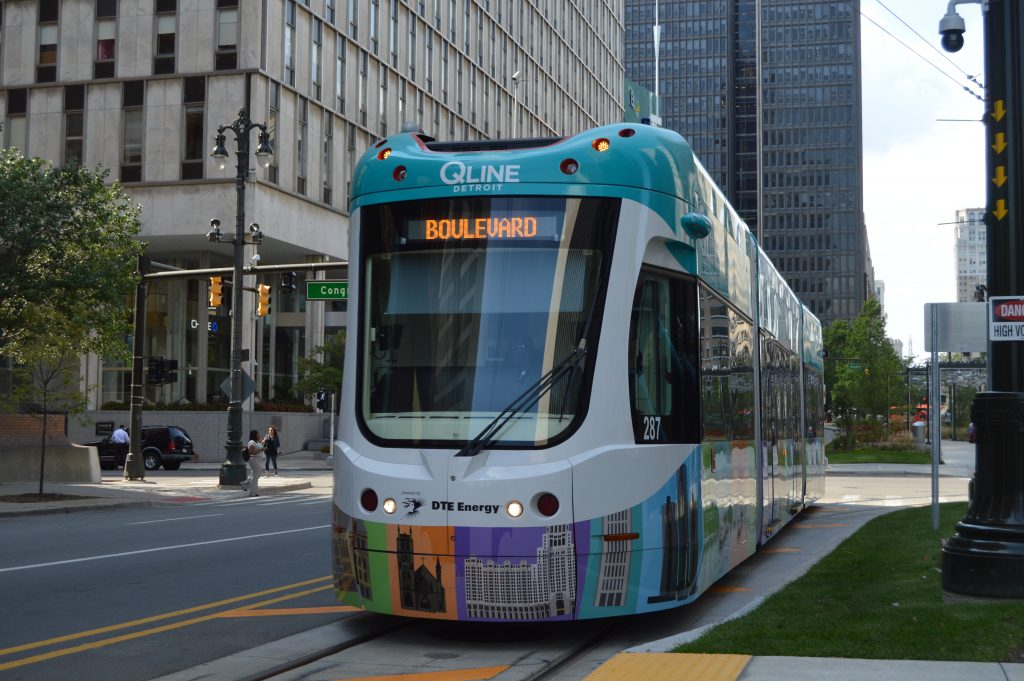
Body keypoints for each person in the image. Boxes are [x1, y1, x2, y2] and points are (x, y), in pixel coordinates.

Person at [241, 429, 265, 497]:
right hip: (254, 459)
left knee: (257, 475)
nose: (259, 435)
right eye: (258, 434)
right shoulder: (251, 442)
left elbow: (260, 446)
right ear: (254, 435)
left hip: (259, 460)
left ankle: (246, 485)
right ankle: (252, 492)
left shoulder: (257, 442)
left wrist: (262, 444)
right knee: (255, 476)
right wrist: (261, 449)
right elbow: (251, 452)